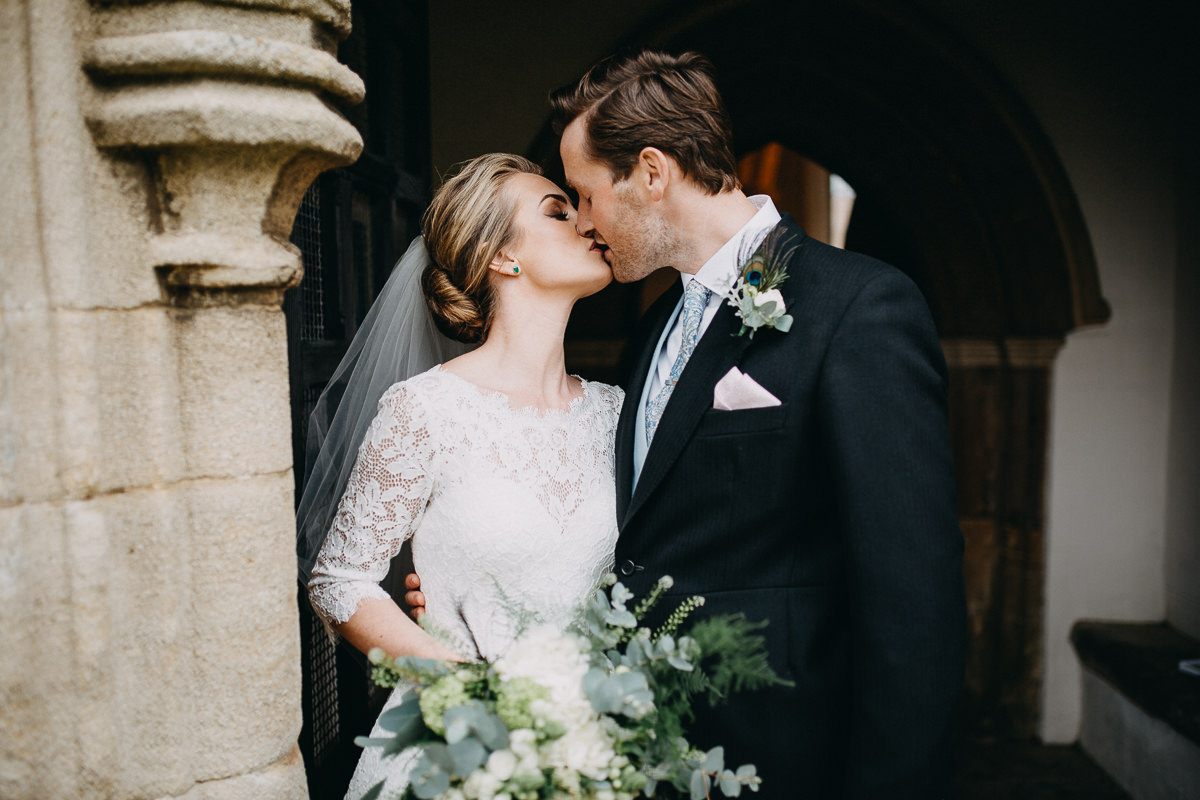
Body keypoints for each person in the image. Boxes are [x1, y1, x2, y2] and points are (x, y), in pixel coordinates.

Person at [411, 49, 966, 798]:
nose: (581, 220)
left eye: (583, 193)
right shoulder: (653, 334)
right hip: (645, 759)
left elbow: (914, 605)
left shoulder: (859, 309)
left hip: (786, 764)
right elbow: (635, 536)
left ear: (650, 171)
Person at [298, 153, 622, 798]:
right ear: (503, 258)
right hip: (464, 748)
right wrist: (469, 689)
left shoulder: (617, 412)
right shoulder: (425, 409)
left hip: (599, 739)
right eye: (559, 212)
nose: (589, 224)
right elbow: (338, 580)